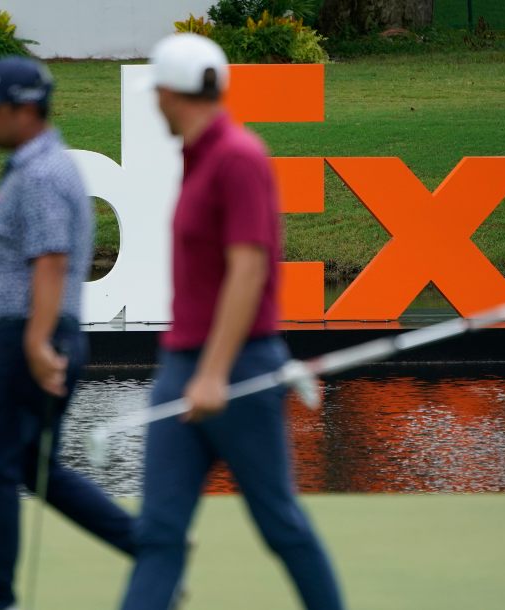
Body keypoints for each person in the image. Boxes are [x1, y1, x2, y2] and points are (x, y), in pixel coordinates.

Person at [119, 34, 344, 610]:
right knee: (159, 532)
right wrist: (194, 371)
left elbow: (249, 270)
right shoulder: (197, 159)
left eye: (157, 94)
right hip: (182, 366)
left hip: (239, 369)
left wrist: (215, 373)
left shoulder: (239, 157)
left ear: (172, 93)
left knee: (279, 523)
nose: (155, 105)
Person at [0, 56, 135, 610]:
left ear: (23, 109)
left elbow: (51, 260)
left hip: (27, 338)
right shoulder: (37, 166)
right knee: (35, 467)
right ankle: (152, 545)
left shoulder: (41, 173)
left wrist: (34, 344)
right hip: (43, 333)